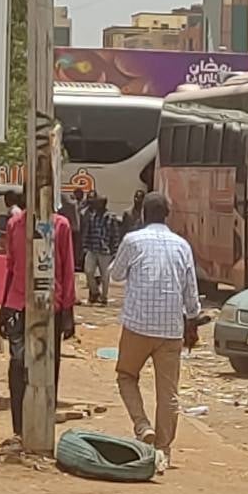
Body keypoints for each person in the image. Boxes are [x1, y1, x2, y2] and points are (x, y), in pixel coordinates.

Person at [110, 192, 201, 463]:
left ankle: (142, 426)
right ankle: (164, 450)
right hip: (171, 330)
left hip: (137, 325)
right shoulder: (181, 245)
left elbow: (115, 275)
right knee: (168, 393)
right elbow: (191, 294)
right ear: (168, 214)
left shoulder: (133, 240)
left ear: (142, 213)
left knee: (126, 376)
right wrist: (192, 323)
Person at [0, 205, 76, 446]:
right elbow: (11, 267)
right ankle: (20, 429)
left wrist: (68, 311)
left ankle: (43, 425)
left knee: (48, 368)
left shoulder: (60, 225)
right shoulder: (15, 225)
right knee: (17, 364)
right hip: (18, 304)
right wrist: (3, 306)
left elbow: (67, 268)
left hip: (49, 306)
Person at [81, 194, 119, 305]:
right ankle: (95, 292)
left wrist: (114, 251)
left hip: (105, 251)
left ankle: (104, 297)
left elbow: (115, 235)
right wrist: (85, 246)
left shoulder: (111, 218)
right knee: (88, 271)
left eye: (97, 203)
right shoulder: (92, 217)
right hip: (92, 248)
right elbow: (87, 231)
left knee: (105, 275)